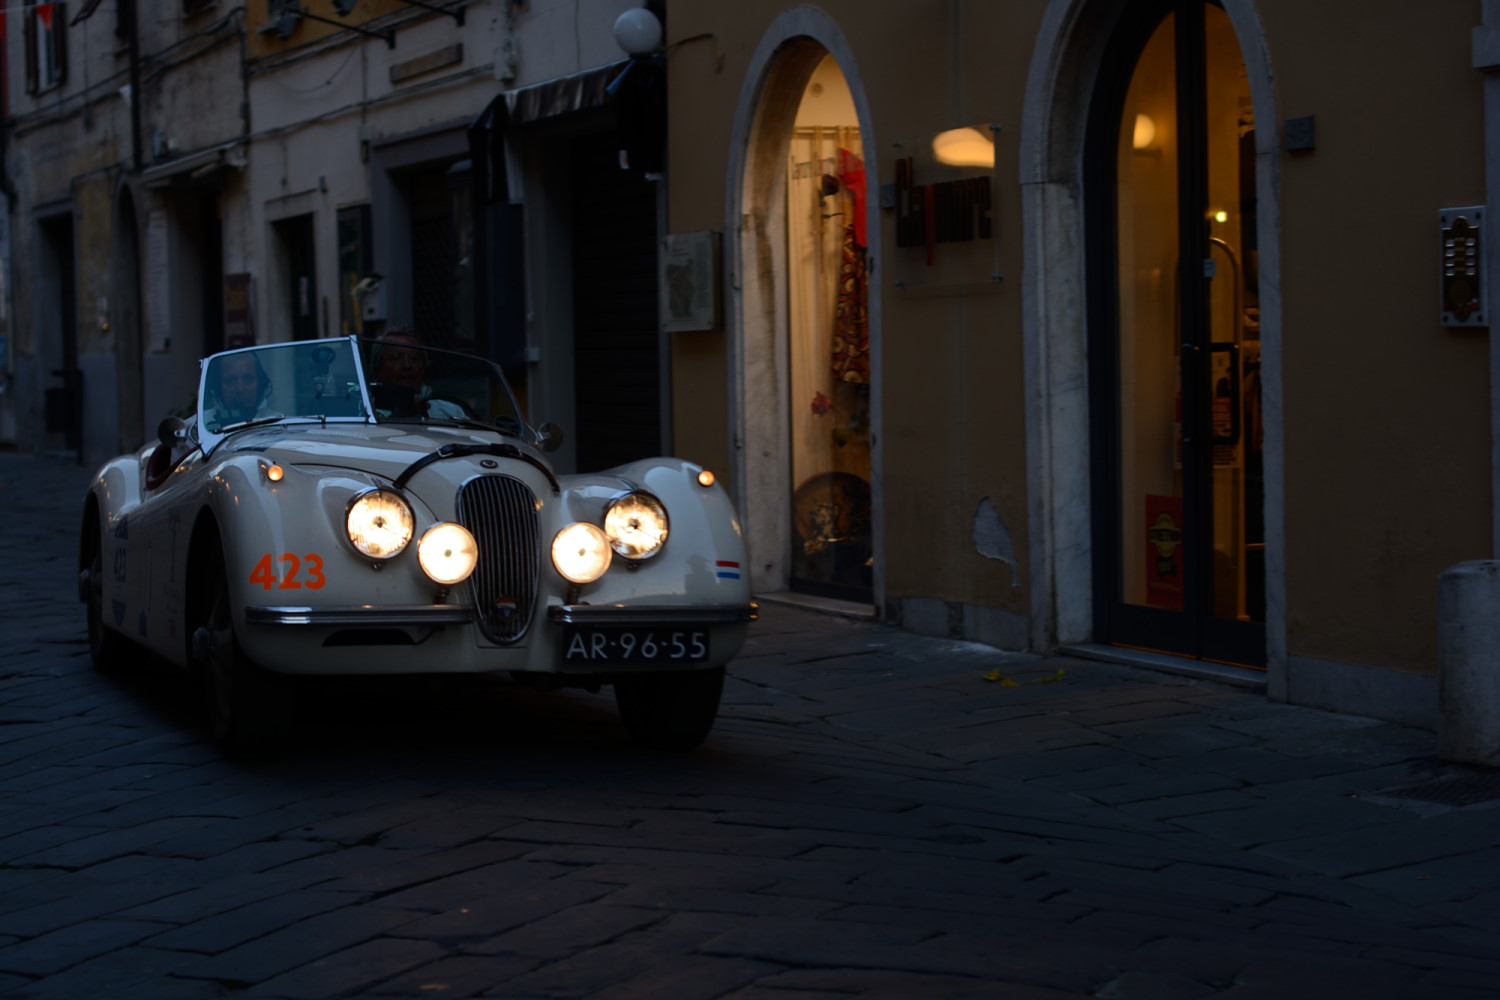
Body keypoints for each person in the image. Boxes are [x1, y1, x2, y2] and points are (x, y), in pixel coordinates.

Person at [370, 328, 468, 420]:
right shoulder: (365, 412)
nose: (407, 365)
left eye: (415, 358)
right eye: (396, 358)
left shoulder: (451, 412)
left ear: (424, 366)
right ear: (377, 368)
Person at [204, 352, 273, 429]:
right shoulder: (200, 425)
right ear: (218, 388)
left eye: (248, 379)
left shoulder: (277, 423)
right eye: (230, 380)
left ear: (260, 385)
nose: (240, 389)